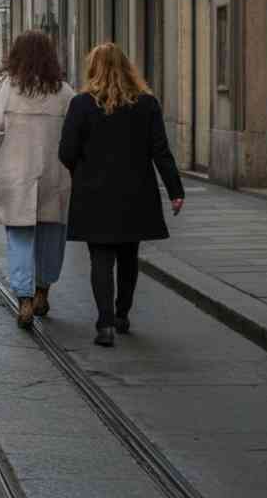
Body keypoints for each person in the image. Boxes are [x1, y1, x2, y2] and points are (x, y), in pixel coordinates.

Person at [59, 43, 185, 348]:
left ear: (92, 68)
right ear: (128, 68)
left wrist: (83, 172)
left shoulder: (81, 104)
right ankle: (122, 314)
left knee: (100, 258)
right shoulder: (147, 103)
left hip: (94, 194)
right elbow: (161, 151)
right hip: (135, 192)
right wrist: (175, 191)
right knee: (129, 256)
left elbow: (66, 152)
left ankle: (105, 326)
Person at [0, 32, 75, 328]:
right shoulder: (64, 92)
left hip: (15, 177)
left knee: (19, 237)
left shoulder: (8, 90)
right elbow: (75, 135)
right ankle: (42, 291)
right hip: (54, 175)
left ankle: (23, 298)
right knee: (51, 236)